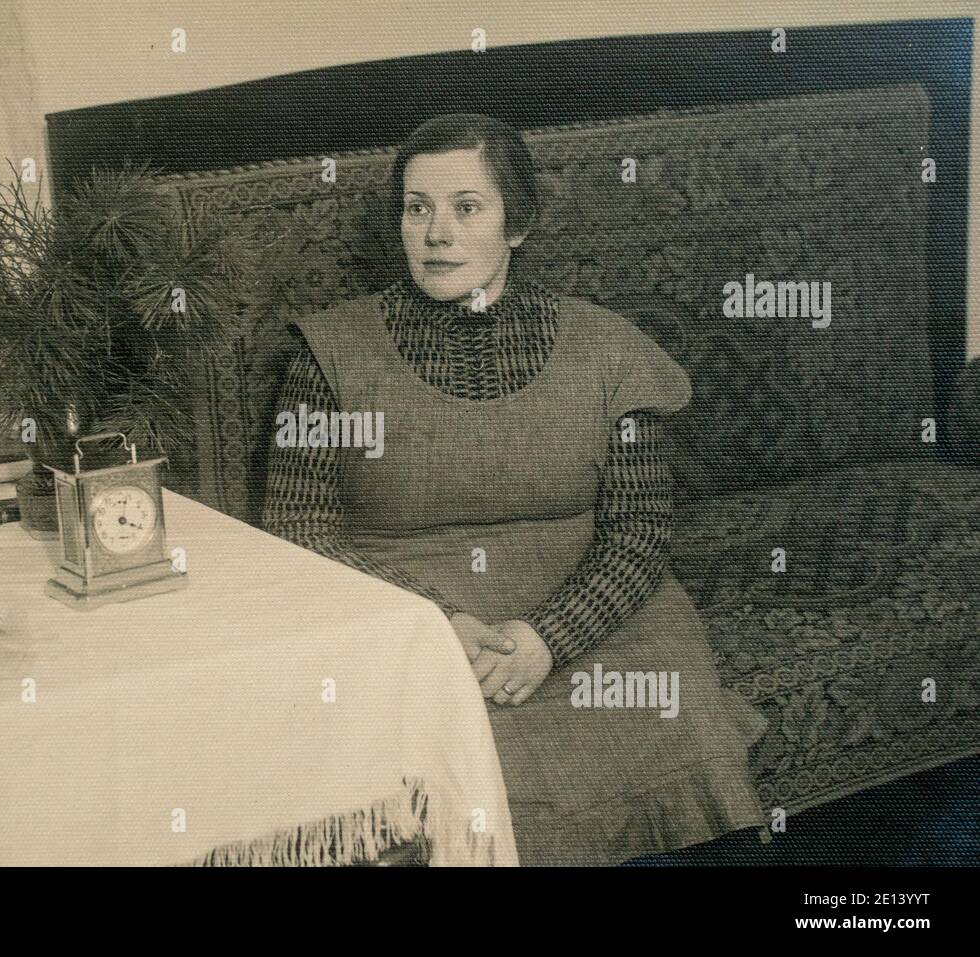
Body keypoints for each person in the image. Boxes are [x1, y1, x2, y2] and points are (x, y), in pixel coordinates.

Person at [260, 113, 769, 865]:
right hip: (409, 621)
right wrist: (441, 623)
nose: (437, 234)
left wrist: (547, 638)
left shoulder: (607, 350)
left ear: (518, 224)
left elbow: (640, 535)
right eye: (417, 207)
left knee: (671, 713)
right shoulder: (330, 354)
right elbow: (299, 529)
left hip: (595, 611)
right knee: (467, 762)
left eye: (467, 207)